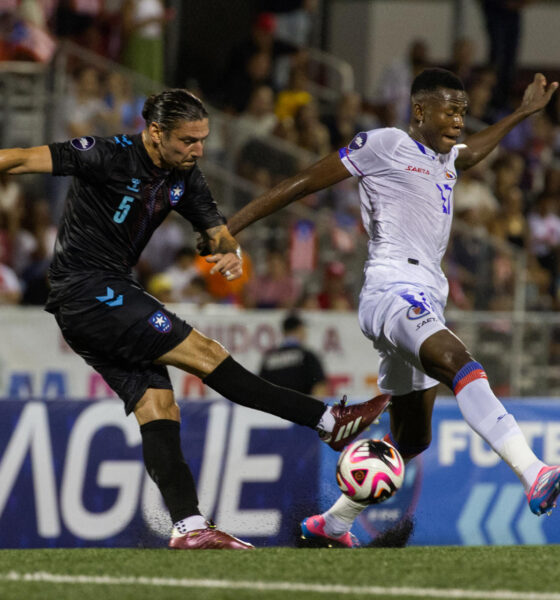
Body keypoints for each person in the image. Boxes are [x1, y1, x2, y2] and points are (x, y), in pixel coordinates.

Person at [0, 88, 390, 551]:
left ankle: (189, 527)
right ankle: (327, 420)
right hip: (87, 290)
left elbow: (216, 233)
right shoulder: (105, 155)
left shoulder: (185, 178)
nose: (198, 149)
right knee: (206, 354)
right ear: (156, 132)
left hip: (100, 300)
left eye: (203, 139)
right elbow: (20, 158)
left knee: (159, 408)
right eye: (188, 140)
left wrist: (229, 254)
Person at [227, 68, 560, 548]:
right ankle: (533, 472)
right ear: (419, 110)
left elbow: (475, 151)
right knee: (462, 364)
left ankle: (334, 523)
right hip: (392, 289)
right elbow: (303, 182)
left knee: (413, 439)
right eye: (450, 110)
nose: (459, 121)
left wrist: (523, 114)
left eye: (464, 111)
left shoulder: (445, 157)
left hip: (426, 297)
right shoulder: (384, 144)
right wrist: (230, 226)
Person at [259, 312, 328, 397]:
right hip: (301, 408)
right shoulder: (307, 356)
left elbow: (260, 388)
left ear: (284, 332)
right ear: (300, 329)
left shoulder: (269, 357)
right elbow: (319, 387)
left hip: (273, 408)